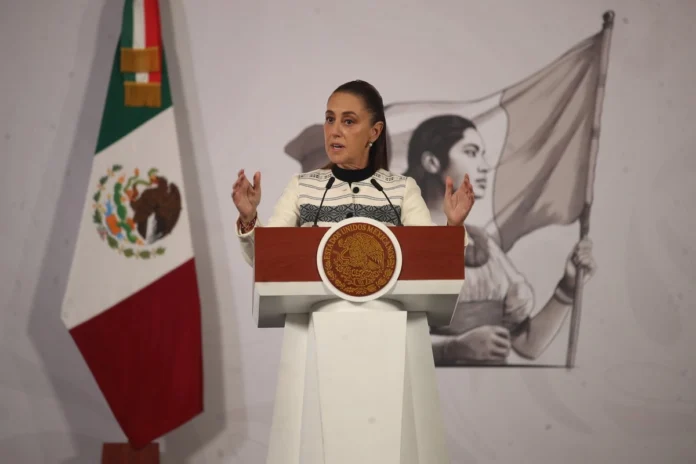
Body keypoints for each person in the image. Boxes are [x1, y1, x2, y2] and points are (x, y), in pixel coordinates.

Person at [402, 114, 596, 364]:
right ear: (432, 162)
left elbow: (528, 345)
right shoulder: (392, 242)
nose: (484, 166)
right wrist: (451, 349)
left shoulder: (482, 244)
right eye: (471, 152)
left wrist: (568, 287)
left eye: (483, 154)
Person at [231, 80, 473, 266]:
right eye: (330, 119)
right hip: (316, 316)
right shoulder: (302, 187)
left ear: (374, 132)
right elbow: (265, 258)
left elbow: (433, 261)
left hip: (386, 317)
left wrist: (454, 226)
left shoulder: (400, 190)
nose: (334, 131)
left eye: (348, 121)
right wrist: (248, 217)